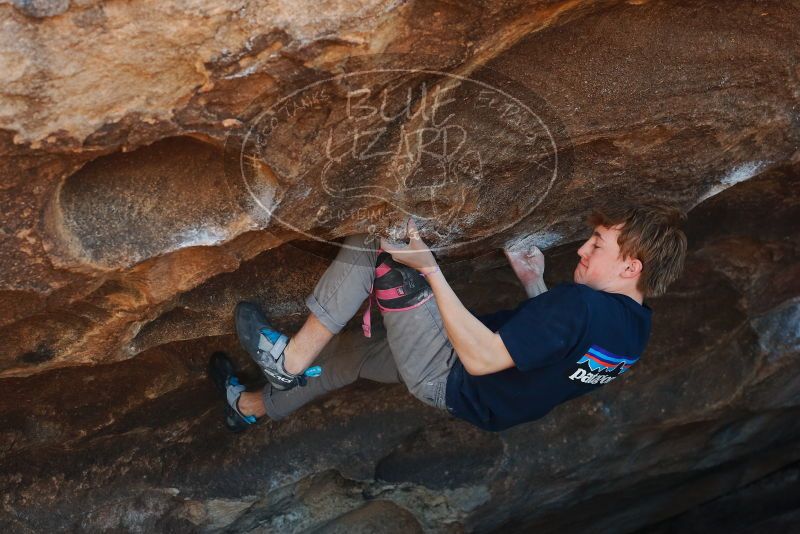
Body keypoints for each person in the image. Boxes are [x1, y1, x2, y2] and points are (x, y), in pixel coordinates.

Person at [209, 203, 687, 432]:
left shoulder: (580, 304)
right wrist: (533, 287)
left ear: (632, 266)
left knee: (382, 243)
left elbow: (482, 360)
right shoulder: (634, 331)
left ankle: (289, 359)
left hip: (452, 372)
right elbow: (560, 350)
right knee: (353, 354)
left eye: (597, 245)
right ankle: (247, 409)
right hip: (473, 400)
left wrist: (431, 270)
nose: (582, 250)